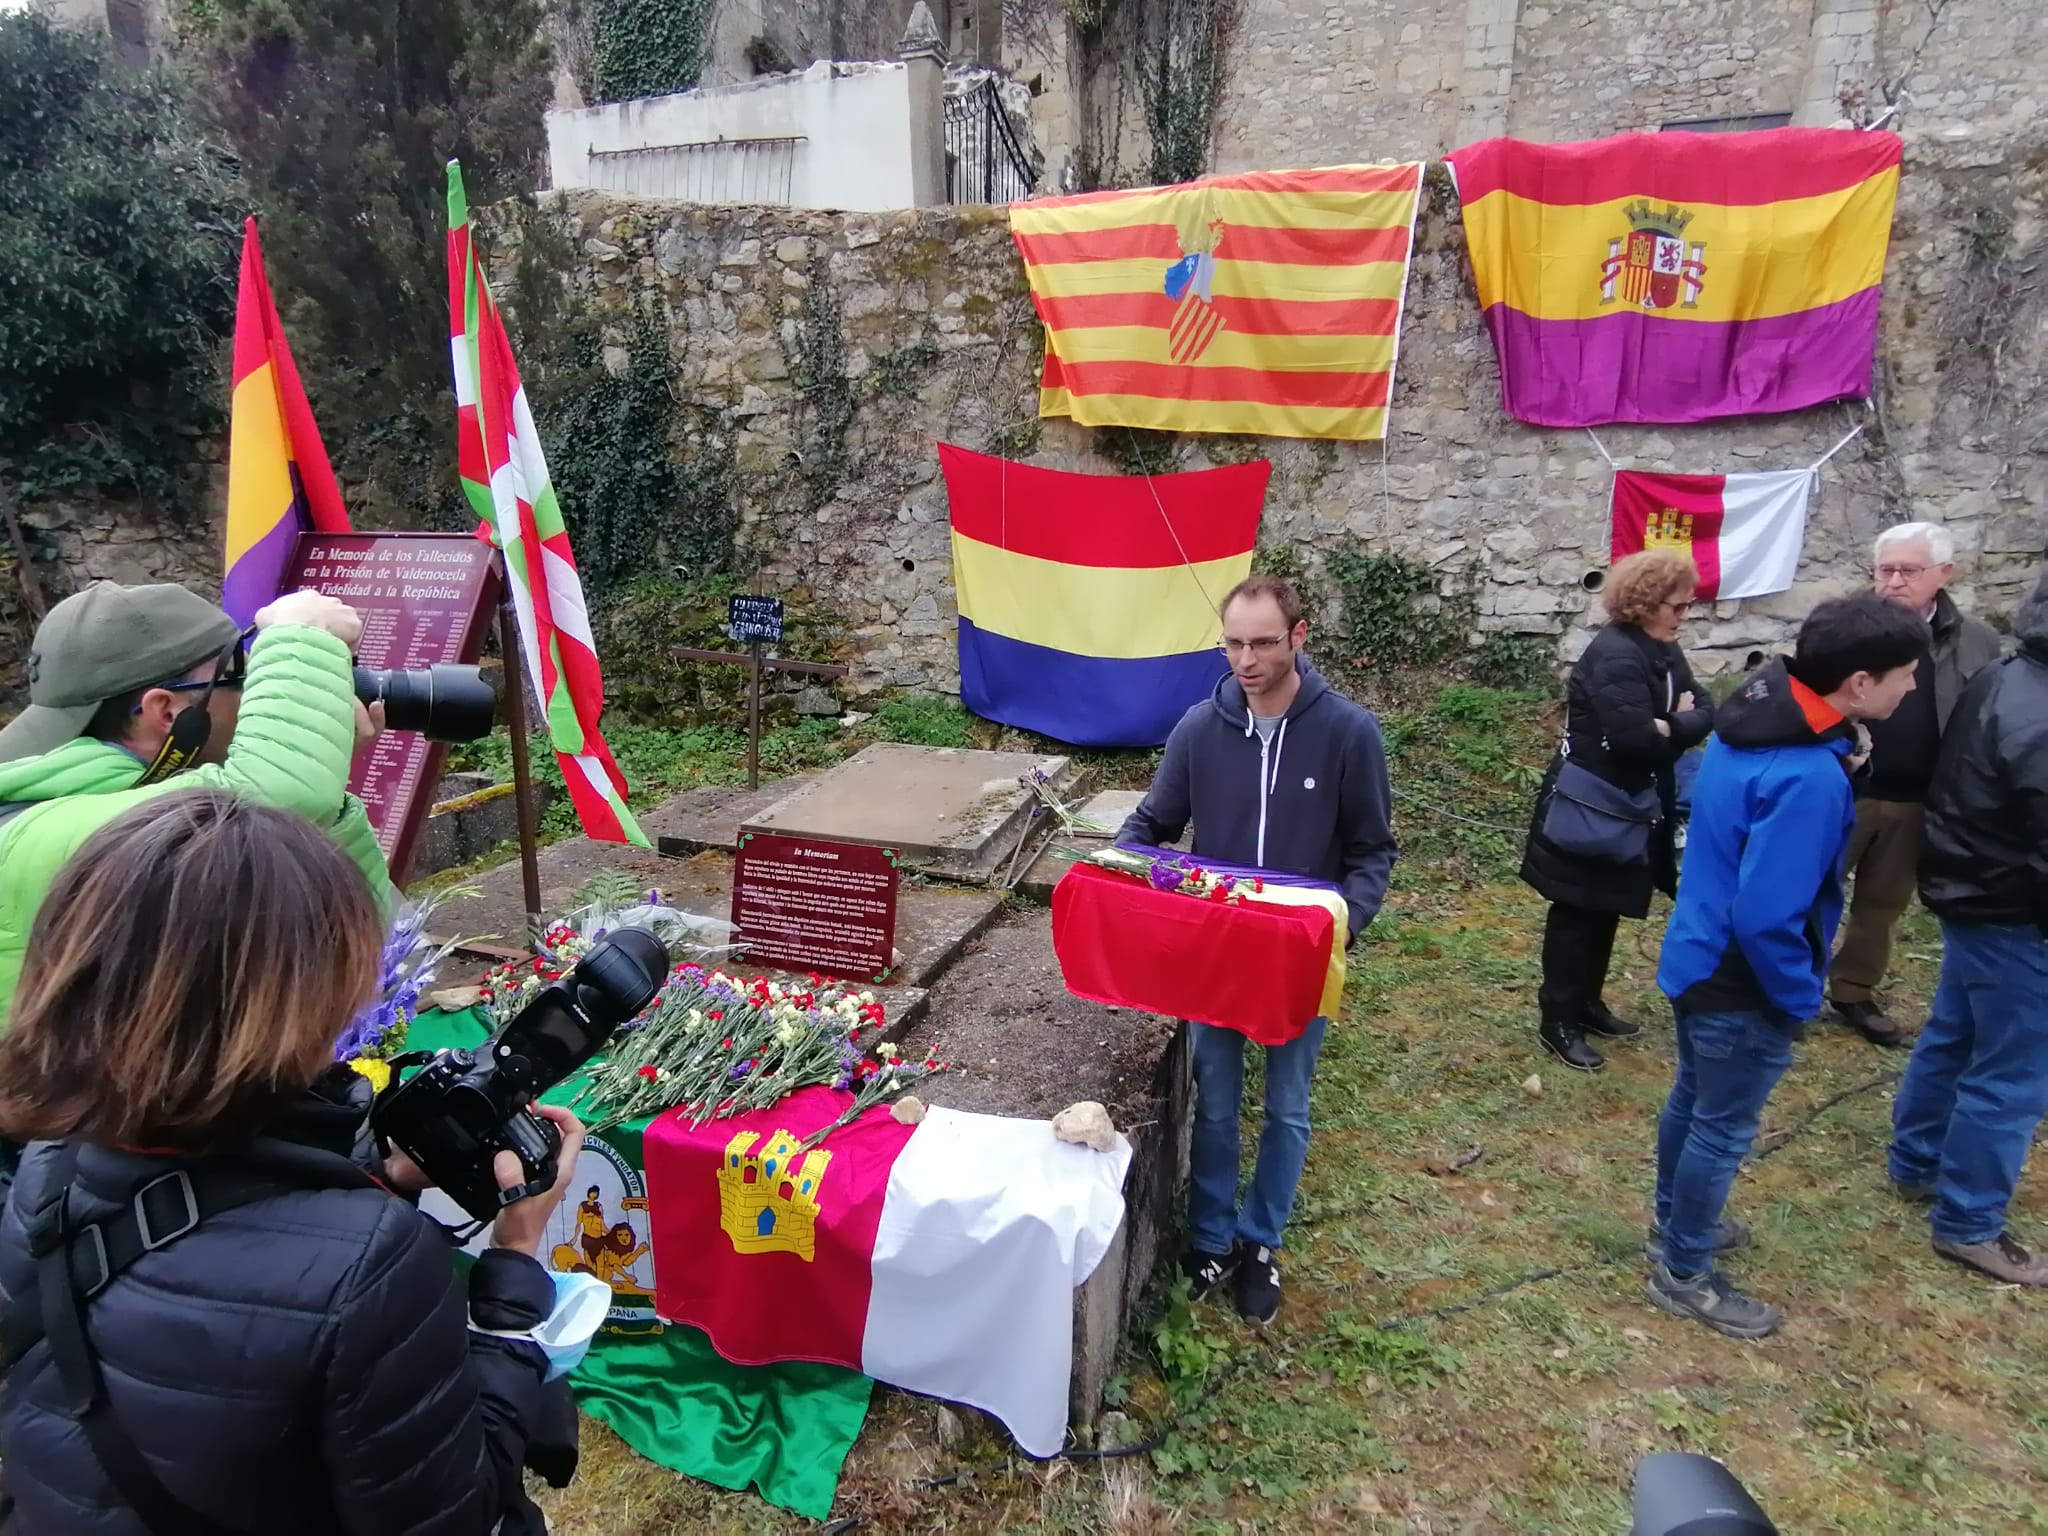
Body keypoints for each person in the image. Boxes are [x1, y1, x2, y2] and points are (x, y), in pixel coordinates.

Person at [0, 791, 581, 1533]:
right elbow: (455, 1510)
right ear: (300, 1005)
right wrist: (515, 1271)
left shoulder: (43, 1174)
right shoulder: (372, 1265)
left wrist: (383, 1175)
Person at [1118, 574, 1396, 1325]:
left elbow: (1373, 852)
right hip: (1217, 957)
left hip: (1302, 958)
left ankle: (1260, 1240)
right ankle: (1209, 1238)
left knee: (1287, 1107)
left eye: (1264, 642)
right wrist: (1141, 884)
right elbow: (1147, 829)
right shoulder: (1199, 730)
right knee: (1213, 1102)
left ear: (1299, 637)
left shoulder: (1347, 733)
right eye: (1234, 642)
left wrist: (1344, 921)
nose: (1246, 659)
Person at [1649, 594, 1929, 1338]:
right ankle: (1684, 1270)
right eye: (1905, 674)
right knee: (1721, 1126)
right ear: (1860, 683)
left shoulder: (1753, 721)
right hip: (1742, 978)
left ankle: (1674, 1224)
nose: (1912, 688)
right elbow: (1769, 914)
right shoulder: (1808, 777)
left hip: (1696, 949)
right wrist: (1797, 994)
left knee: (1692, 1100)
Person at [0, 581, 390, 1018]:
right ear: (167, 712)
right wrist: (303, 632)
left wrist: (326, 800)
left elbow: (346, 964)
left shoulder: (106, 798)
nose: (249, 698)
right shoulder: (42, 835)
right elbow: (268, 803)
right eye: (240, 677)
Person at [1887, 567, 2048, 1285]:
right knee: (2013, 1074)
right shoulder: (2036, 708)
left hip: (1973, 894)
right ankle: (1970, 1222)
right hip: (2013, 910)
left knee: (1955, 1033)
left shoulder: (2005, 673)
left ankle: (1917, 1160)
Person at [1521, 548, 1714, 1073]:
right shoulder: (1617, 656)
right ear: (1646, 603)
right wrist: (1675, 726)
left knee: (1605, 906)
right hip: (1591, 805)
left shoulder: (1661, 647)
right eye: (1677, 606)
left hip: (1629, 805)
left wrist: (1670, 726)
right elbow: (1633, 743)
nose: (1684, 615)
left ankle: (1587, 1003)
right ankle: (1557, 1019)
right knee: (1576, 912)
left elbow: (1707, 706)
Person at [1827, 523, 2002, 1045]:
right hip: (1844, 788)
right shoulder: (1847, 628)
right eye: (1886, 570)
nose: (1895, 581)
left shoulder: (1977, 641)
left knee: (1882, 903)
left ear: (1944, 575)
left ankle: (1853, 990)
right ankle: (1785, 989)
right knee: (1811, 889)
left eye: (1909, 570)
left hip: (1920, 796)